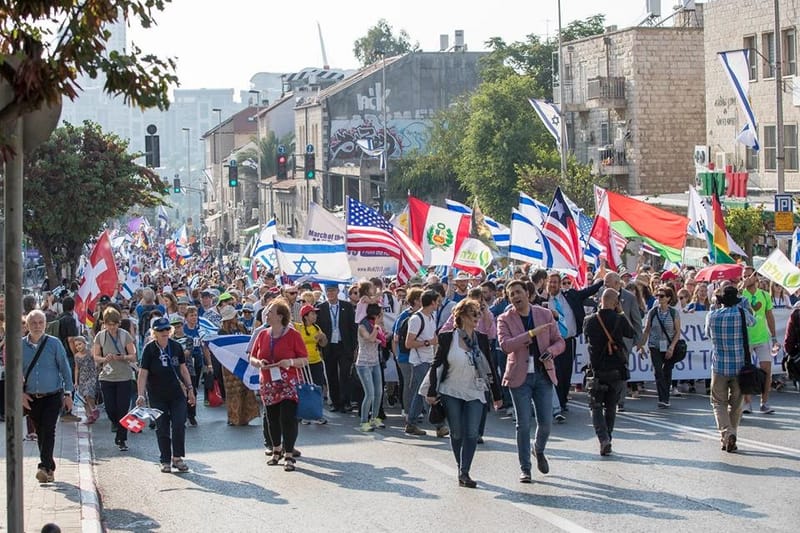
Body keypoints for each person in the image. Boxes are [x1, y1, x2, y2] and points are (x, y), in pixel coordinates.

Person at [425, 299, 502, 488]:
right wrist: (432, 391)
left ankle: (465, 471)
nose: (477, 317)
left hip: (475, 390)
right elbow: (437, 365)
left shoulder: (481, 339)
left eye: (478, 313)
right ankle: (461, 466)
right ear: (461, 317)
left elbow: (490, 366)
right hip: (452, 389)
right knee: (457, 432)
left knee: (472, 433)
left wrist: (497, 395)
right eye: (472, 313)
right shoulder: (447, 338)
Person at [498, 280, 565, 483]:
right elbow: (505, 345)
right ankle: (525, 468)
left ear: (528, 294)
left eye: (519, 292)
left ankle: (539, 448)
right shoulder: (504, 319)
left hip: (543, 375)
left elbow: (560, 341)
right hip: (519, 377)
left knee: (545, 423)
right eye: (512, 295)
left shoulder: (544, 314)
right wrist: (530, 335)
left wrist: (551, 352)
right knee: (523, 424)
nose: (516, 297)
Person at [250, 301, 308, 471]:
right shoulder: (262, 335)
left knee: (288, 418)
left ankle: (289, 454)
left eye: (270, 312)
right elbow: (252, 358)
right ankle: (276, 450)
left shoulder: (293, 335)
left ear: (280, 316)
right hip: (268, 382)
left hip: (288, 382)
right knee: (272, 418)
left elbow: (303, 359)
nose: (266, 314)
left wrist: (289, 362)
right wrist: (259, 363)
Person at [136, 317, 195, 473]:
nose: (164, 333)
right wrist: (141, 395)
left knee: (178, 424)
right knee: (162, 427)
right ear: (155, 332)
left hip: (177, 393)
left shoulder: (176, 347)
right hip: (157, 395)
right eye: (161, 330)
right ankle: (164, 459)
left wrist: (190, 389)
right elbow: (142, 374)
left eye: (167, 329)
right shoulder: (149, 349)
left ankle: (177, 457)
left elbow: (183, 369)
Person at [21, 310, 75, 483]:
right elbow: (12, 372)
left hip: (53, 394)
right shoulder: (20, 345)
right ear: (27, 325)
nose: (37, 326)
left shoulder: (54, 343)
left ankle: (43, 467)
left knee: (49, 429)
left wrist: (68, 394)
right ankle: (49, 468)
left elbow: (65, 369)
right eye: (34, 323)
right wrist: (20, 394)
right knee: (40, 431)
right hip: (31, 397)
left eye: (40, 323)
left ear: (45, 324)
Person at [545, 271, 604, 421]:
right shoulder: (542, 301)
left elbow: (588, 291)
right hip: (551, 343)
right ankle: (556, 403)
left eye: (555, 282)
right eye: (550, 282)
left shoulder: (570, 295)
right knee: (555, 372)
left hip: (568, 340)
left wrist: (602, 281)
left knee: (566, 372)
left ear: (560, 285)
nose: (553, 285)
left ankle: (563, 400)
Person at [583, 289, 635, 456]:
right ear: (615, 302)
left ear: (601, 301)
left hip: (597, 370)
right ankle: (608, 438)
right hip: (616, 369)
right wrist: (620, 312)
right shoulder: (619, 319)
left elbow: (586, 338)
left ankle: (603, 439)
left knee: (595, 405)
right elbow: (631, 333)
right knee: (611, 406)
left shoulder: (589, 321)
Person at [705, 286, 755, 452]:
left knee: (718, 403)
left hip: (719, 365)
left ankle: (727, 434)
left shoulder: (712, 315)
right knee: (736, 404)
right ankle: (731, 434)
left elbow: (708, 334)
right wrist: (744, 304)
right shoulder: (741, 313)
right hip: (739, 365)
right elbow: (753, 321)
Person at [404, 289, 449, 438]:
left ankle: (411, 423)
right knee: (429, 391)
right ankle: (439, 425)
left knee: (420, 392)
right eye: (437, 301)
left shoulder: (431, 316)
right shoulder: (416, 319)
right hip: (419, 361)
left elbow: (434, 337)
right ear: (432, 302)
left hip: (429, 359)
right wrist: (429, 342)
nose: (439, 303)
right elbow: (409, 343)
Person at [92, 307, 138, 451]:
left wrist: (122, 357)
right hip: (107, 377)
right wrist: (105, 359)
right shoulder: (100, 336)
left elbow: (133, 355)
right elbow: (96, 357)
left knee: (123, 409)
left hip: (124, 377)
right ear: (104, 323)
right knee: (111, 409)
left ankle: (122, 438)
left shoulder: (125, 335)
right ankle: (120, 427)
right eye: (109, 324)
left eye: (114, 324)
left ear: (118, 323)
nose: (112, 327)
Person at [739, 266, 778, 414]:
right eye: (744, 276)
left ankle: (764, 402)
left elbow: (769, 316)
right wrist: (740, 288)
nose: (746, 278)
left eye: (749, 275)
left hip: (762, 338)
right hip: (745, 340)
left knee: (767, 370)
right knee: (746, 371)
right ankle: (747, 403)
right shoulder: (740, 294)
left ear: (756, 277)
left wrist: (774, 337)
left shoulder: (764, 295)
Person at [603, 272, 642, 412]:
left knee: (621, 370)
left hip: (624, 342)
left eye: (608, 283)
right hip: (606, 341)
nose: (605, 286)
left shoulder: (629, 298)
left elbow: (636, 321)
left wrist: (638, 341)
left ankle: (620, 401)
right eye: (604, 283)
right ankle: (607, 398)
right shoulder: (603, 294)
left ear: (617, 283)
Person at [637, 285, 681, 409]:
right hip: (654, 346)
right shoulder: (653, 312)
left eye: (661, 296)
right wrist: (641, 346)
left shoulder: (674, 313)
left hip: (668, 346)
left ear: (668, 298)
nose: (659, 298)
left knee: (667, 371)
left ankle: (665, 397)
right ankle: (662, 398)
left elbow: (677, 332)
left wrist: (672, 347)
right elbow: (646, 330)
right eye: (657, 295)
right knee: (658, 371)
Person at [316, 284, 357, 413]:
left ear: (338, 291)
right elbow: (318, 329)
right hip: (329, 346)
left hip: (344, 345)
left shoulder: (347, 306)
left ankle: (345, 401)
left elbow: (353, 327)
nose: (330, 293)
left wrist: (354, 347)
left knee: (344, 374)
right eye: (328, 291)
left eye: (333, 291)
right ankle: (335, 402)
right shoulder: (321, 308)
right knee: (331, 374)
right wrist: (320, 347)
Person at [218, 306, 260, 426]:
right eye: (234, 316)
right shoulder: (222, 332)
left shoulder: (241, 327)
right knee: (233, 392)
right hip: (229, 365)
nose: (237, 318)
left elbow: (248, 340)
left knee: (245, 388)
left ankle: (245, 416)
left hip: (242, 361)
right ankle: (234, 417)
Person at [295, 304, 328, 424]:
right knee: (304, 389)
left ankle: (318, 414)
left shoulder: (317, 328)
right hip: (303, 363)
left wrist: (323, 337)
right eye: (312, 313)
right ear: (305, 316)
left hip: (316, 361)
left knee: (318, 388)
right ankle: (304, 415)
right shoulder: (298, 328)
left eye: (315, 313)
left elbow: (323, 344)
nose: (315, 316)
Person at [355, 303, 386, 432]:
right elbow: (370, 339)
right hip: (363, 363)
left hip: (375, 362)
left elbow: (382, 339)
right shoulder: (362, 326)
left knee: (379, 392)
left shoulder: (376, 326)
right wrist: (376, 327)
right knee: (370, 394)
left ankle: (375, 417)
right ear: (375, 315)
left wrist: (380, 330)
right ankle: (364, 421)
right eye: (380, 315)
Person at [70, 336, 99, 424]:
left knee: (88, 393)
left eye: (80, 344)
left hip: (91, 376)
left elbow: (96, 362)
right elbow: (77, 369)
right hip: (82, 378)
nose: (78, 347)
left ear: (85, 343)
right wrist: (76, 381)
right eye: (76, 345)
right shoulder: (76, 356)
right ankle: (89, 415)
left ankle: (94, 409)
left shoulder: (90, 353)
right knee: (84, 398)